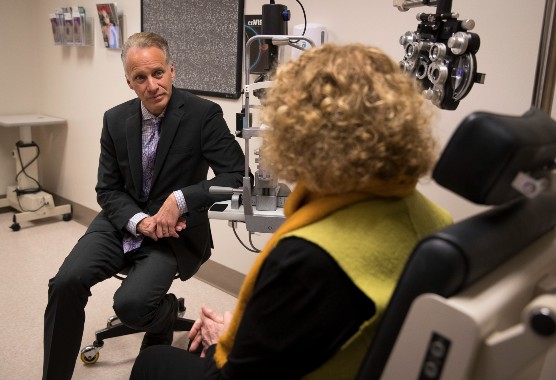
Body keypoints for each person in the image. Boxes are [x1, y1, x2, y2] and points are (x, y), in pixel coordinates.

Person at [130, 43, 453, 380]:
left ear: (299, 133)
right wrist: (249, 332)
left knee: (153, 362)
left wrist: (222, 341)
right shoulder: (437, 223)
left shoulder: (305, 258)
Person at [42, 32, 246, 380]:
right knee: (64, 283)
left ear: (172, 71)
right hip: (121, 223)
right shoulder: (115, 120)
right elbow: (107, 189)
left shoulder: (203, 115)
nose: (152, 85)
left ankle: (163, 314)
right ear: (129, 82)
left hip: (174, 235)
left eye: (158, 73)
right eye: (140, 78)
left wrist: (180, 200)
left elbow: (237, 175)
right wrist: (139, 221)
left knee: (132, 306)